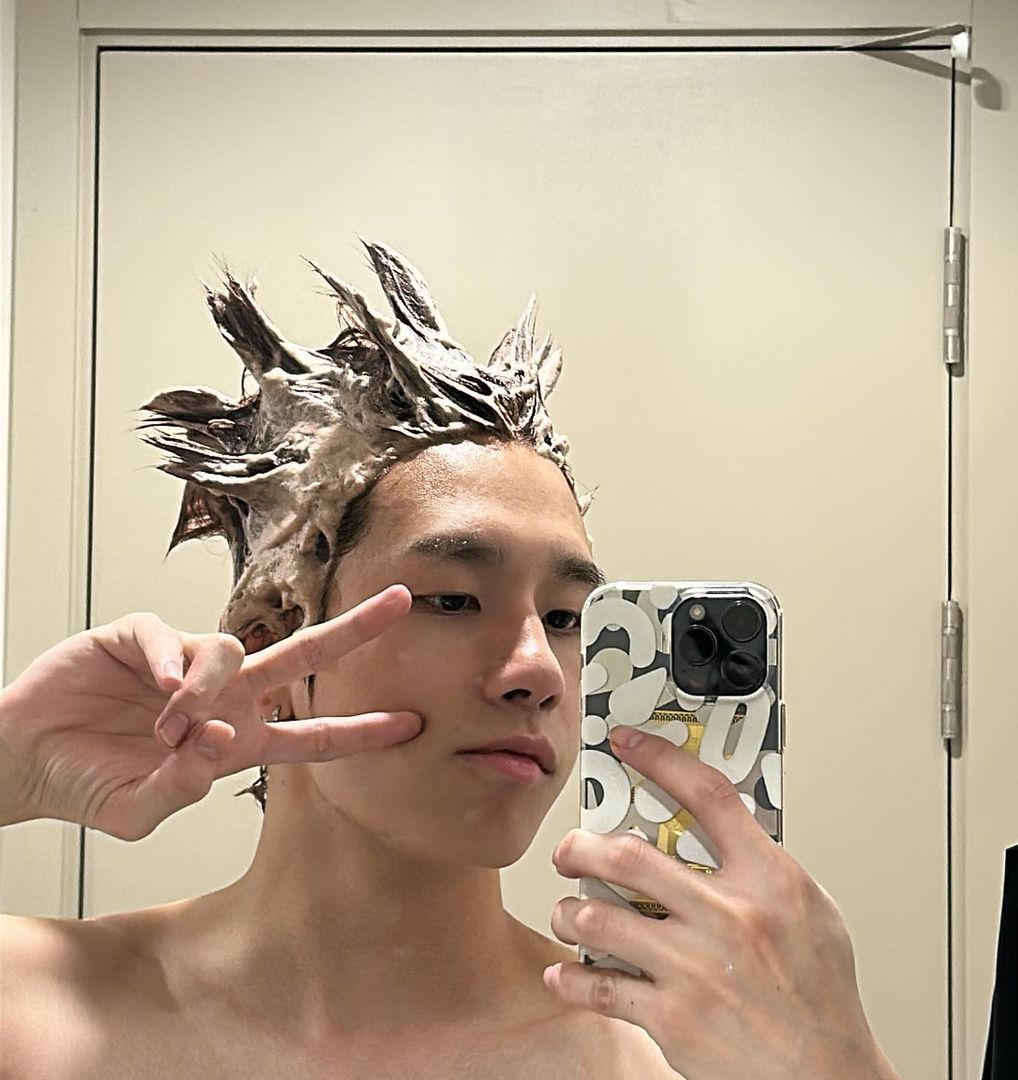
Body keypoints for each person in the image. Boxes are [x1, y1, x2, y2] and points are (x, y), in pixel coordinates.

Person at [0, 242, 900, 1080]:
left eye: (565, 617)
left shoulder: (674, 1063)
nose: (538, 670)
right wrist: (10, 763)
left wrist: (840, 1062)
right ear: (274, 643)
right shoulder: (36, 1013)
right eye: (454, 600)